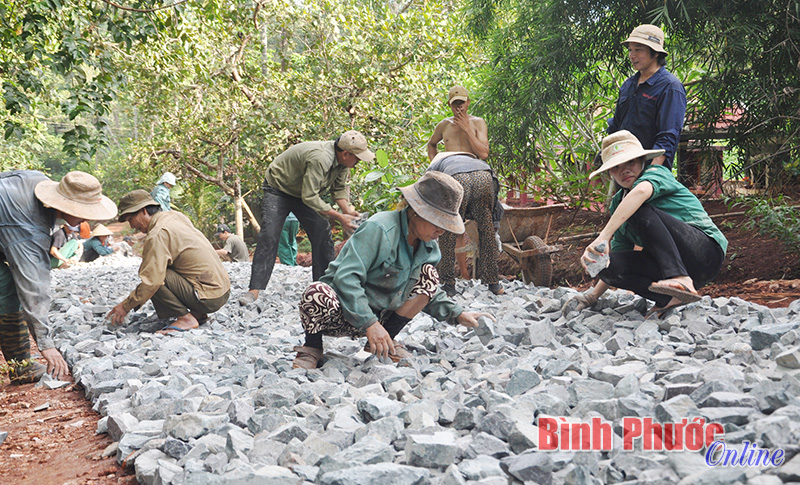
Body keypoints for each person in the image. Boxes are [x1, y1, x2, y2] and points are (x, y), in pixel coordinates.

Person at [292, 171, 495, 369]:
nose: (441, 230)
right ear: (416, 211)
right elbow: (346, 278)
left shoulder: (429, 247)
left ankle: (383, 342)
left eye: (445, 224)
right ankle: (312, 346)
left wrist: (459, 314)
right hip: (343, 311)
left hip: (380, 317)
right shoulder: (379, 229)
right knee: (316, 293)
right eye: (437, 222)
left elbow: (428, 291)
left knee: (429, 275)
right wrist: (370, 323)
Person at [567, 131, 727, 319]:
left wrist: (603, 237)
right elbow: (619, 254)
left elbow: (641, 192)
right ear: (610, 172)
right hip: (669, 265)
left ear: (643, 161)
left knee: (637, 208)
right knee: (607, 265)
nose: (624, 170)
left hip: (705, 253)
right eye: (616, 167)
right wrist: (592, 296)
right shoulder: (619, 204)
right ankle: (668, 299)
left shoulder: (657, 173)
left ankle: (680, 279)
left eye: (631, 162)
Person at [0, 170, 117, 382]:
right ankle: (21, 367)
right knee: (6, 290)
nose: (86, 218)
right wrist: (46, 345)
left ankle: (20, 365)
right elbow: (33, 285)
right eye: (83, 211)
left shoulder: (37, 180)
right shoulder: (27, 225)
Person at [239, 130, 374, 305]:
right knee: (270, 235)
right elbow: (310, 197)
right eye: (357, 157)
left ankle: (325, 288)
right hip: (278, 188)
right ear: (346, 153)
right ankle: (253, 291)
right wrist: (340, 217)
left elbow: (338, 190)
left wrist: (347, 211)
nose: (358, 162)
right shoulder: (321, 158)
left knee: (322, 232)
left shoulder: (343, 164)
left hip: (302, 193)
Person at [107, 190, 231, 334]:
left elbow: (152, 281)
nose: (132, 226)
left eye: (130, 219)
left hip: (209, 298)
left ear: (143, 211)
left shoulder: (157, 234)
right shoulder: (176, 216)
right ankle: (198, 313)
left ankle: (185, 319)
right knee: (164, 268)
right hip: (223, 291)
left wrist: (124, 306)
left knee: (155, 275)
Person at [426, 85, 504, 296]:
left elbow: (484, 153)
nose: (459, 108)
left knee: (485, 227)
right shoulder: (444, 125)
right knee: (451, 228)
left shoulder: (478, 122)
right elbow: (431, 144)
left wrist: (467, 128)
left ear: (468, 102)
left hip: (478, 172)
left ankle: (492, 281)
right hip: (454, 174)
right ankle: (449, 283)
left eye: (462, 103)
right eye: (455, 104)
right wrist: (438, 162)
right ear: (450, 105)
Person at [607, 24, 687, 170]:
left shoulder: (670, 87)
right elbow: (616, 126)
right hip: (624, 170)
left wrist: (651, 174)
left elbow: (668, 136)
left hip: (650, 172)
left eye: (638, 50)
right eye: (630, 50)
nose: (632, 55)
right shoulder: (628, 85)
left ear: (655, 53)